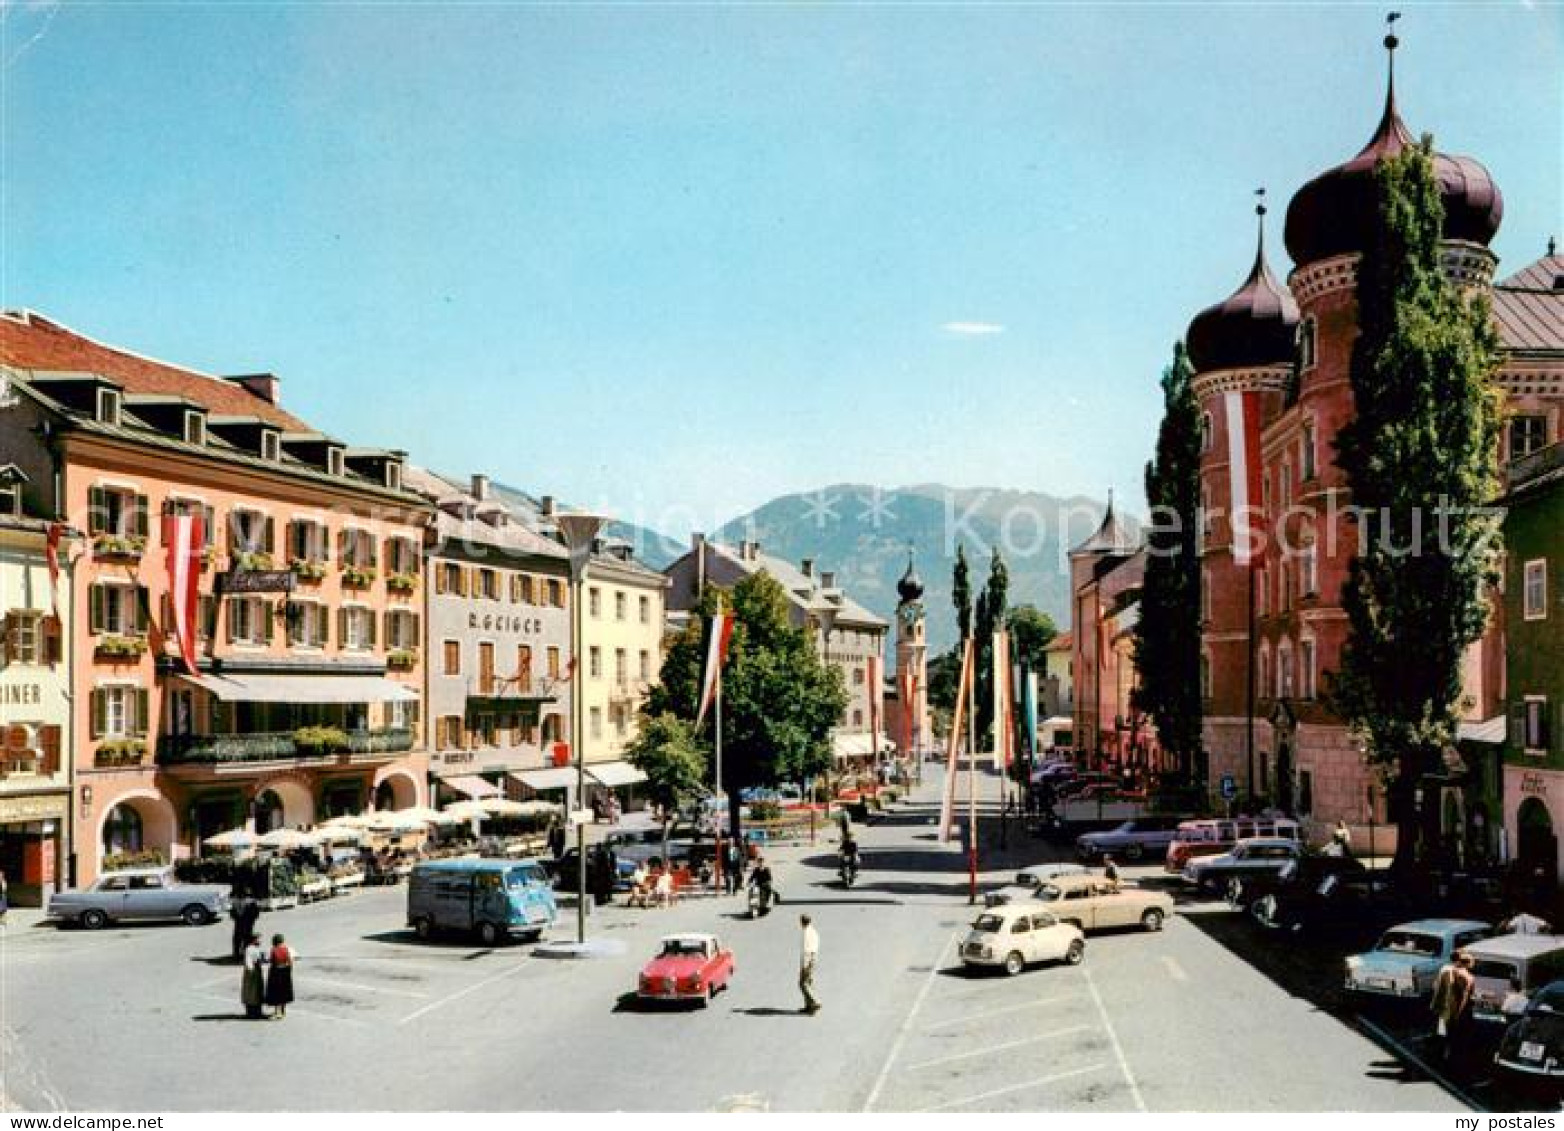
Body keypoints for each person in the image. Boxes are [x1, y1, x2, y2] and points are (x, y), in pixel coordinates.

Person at [1430, 950, 1476, 1068]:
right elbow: (1464, 998)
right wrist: (1458, 1013)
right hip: (1456, 1012)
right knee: (1457, 1038)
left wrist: (1435, 1005)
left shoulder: (1446, 970)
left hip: (1445, 1009)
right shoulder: (1467, 976)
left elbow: (1437, 987)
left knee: (1445, 1035)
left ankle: (1443, 1057)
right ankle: (1452, 1061)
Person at [264, 933, 295, 1020]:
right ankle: (283, 1011)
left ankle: (277, 1012)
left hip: (276, 972)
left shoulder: (274, 950)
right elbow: (290, 961)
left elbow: (272, 960)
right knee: (284, 992)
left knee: (276, 993)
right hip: (285, 972)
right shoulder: (286, 949)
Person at [240, 932, 268, 1020]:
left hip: (257, 971)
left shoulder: (256, 948)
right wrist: (251, 970)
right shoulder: (249, 949)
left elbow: (260, 959)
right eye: (258, 939)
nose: (260, 941)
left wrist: (264, 960)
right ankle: (251, 1013)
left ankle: (258, 1012)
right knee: (251, 992)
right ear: (254, 940)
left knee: (258, 992)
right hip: (252, 973)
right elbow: (248, 961)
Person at [799, 914, 821, 1015]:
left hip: (809, 959)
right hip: (814, 958)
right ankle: (809, 1007)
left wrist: (804, 965)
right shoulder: (814, 931)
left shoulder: (806, 933)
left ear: (802, 922)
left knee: (803, 984)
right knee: (809, 982)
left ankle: (815, 1001)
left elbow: (806, 951)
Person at [230, 893, 261, 961]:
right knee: (247, 939)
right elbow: (256, 913)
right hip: (248, 925)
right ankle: (246, 955)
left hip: (239, 925)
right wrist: (252, 920)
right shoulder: (252, 902)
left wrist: (237, 919)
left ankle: (236, 955)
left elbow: (232, 914)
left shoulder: (235, 903)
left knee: (237, 940)